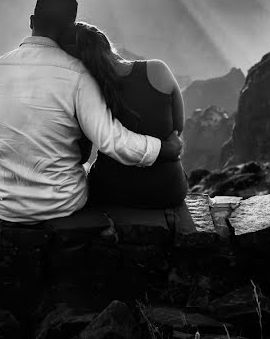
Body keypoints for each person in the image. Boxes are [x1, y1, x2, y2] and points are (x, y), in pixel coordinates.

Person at [0, 0, 184, 222]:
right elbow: (110, 139)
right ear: (70, 26)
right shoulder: (79, 75)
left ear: (32, 21)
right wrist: (164, 149)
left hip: (0, 203)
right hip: (63, 202)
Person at [58, 22, 188, 208]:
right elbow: (177, 129)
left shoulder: (85, 91)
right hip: (168, 191)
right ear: (105, 43)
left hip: (109, 191)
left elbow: (83, 154)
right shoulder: (158, 70)